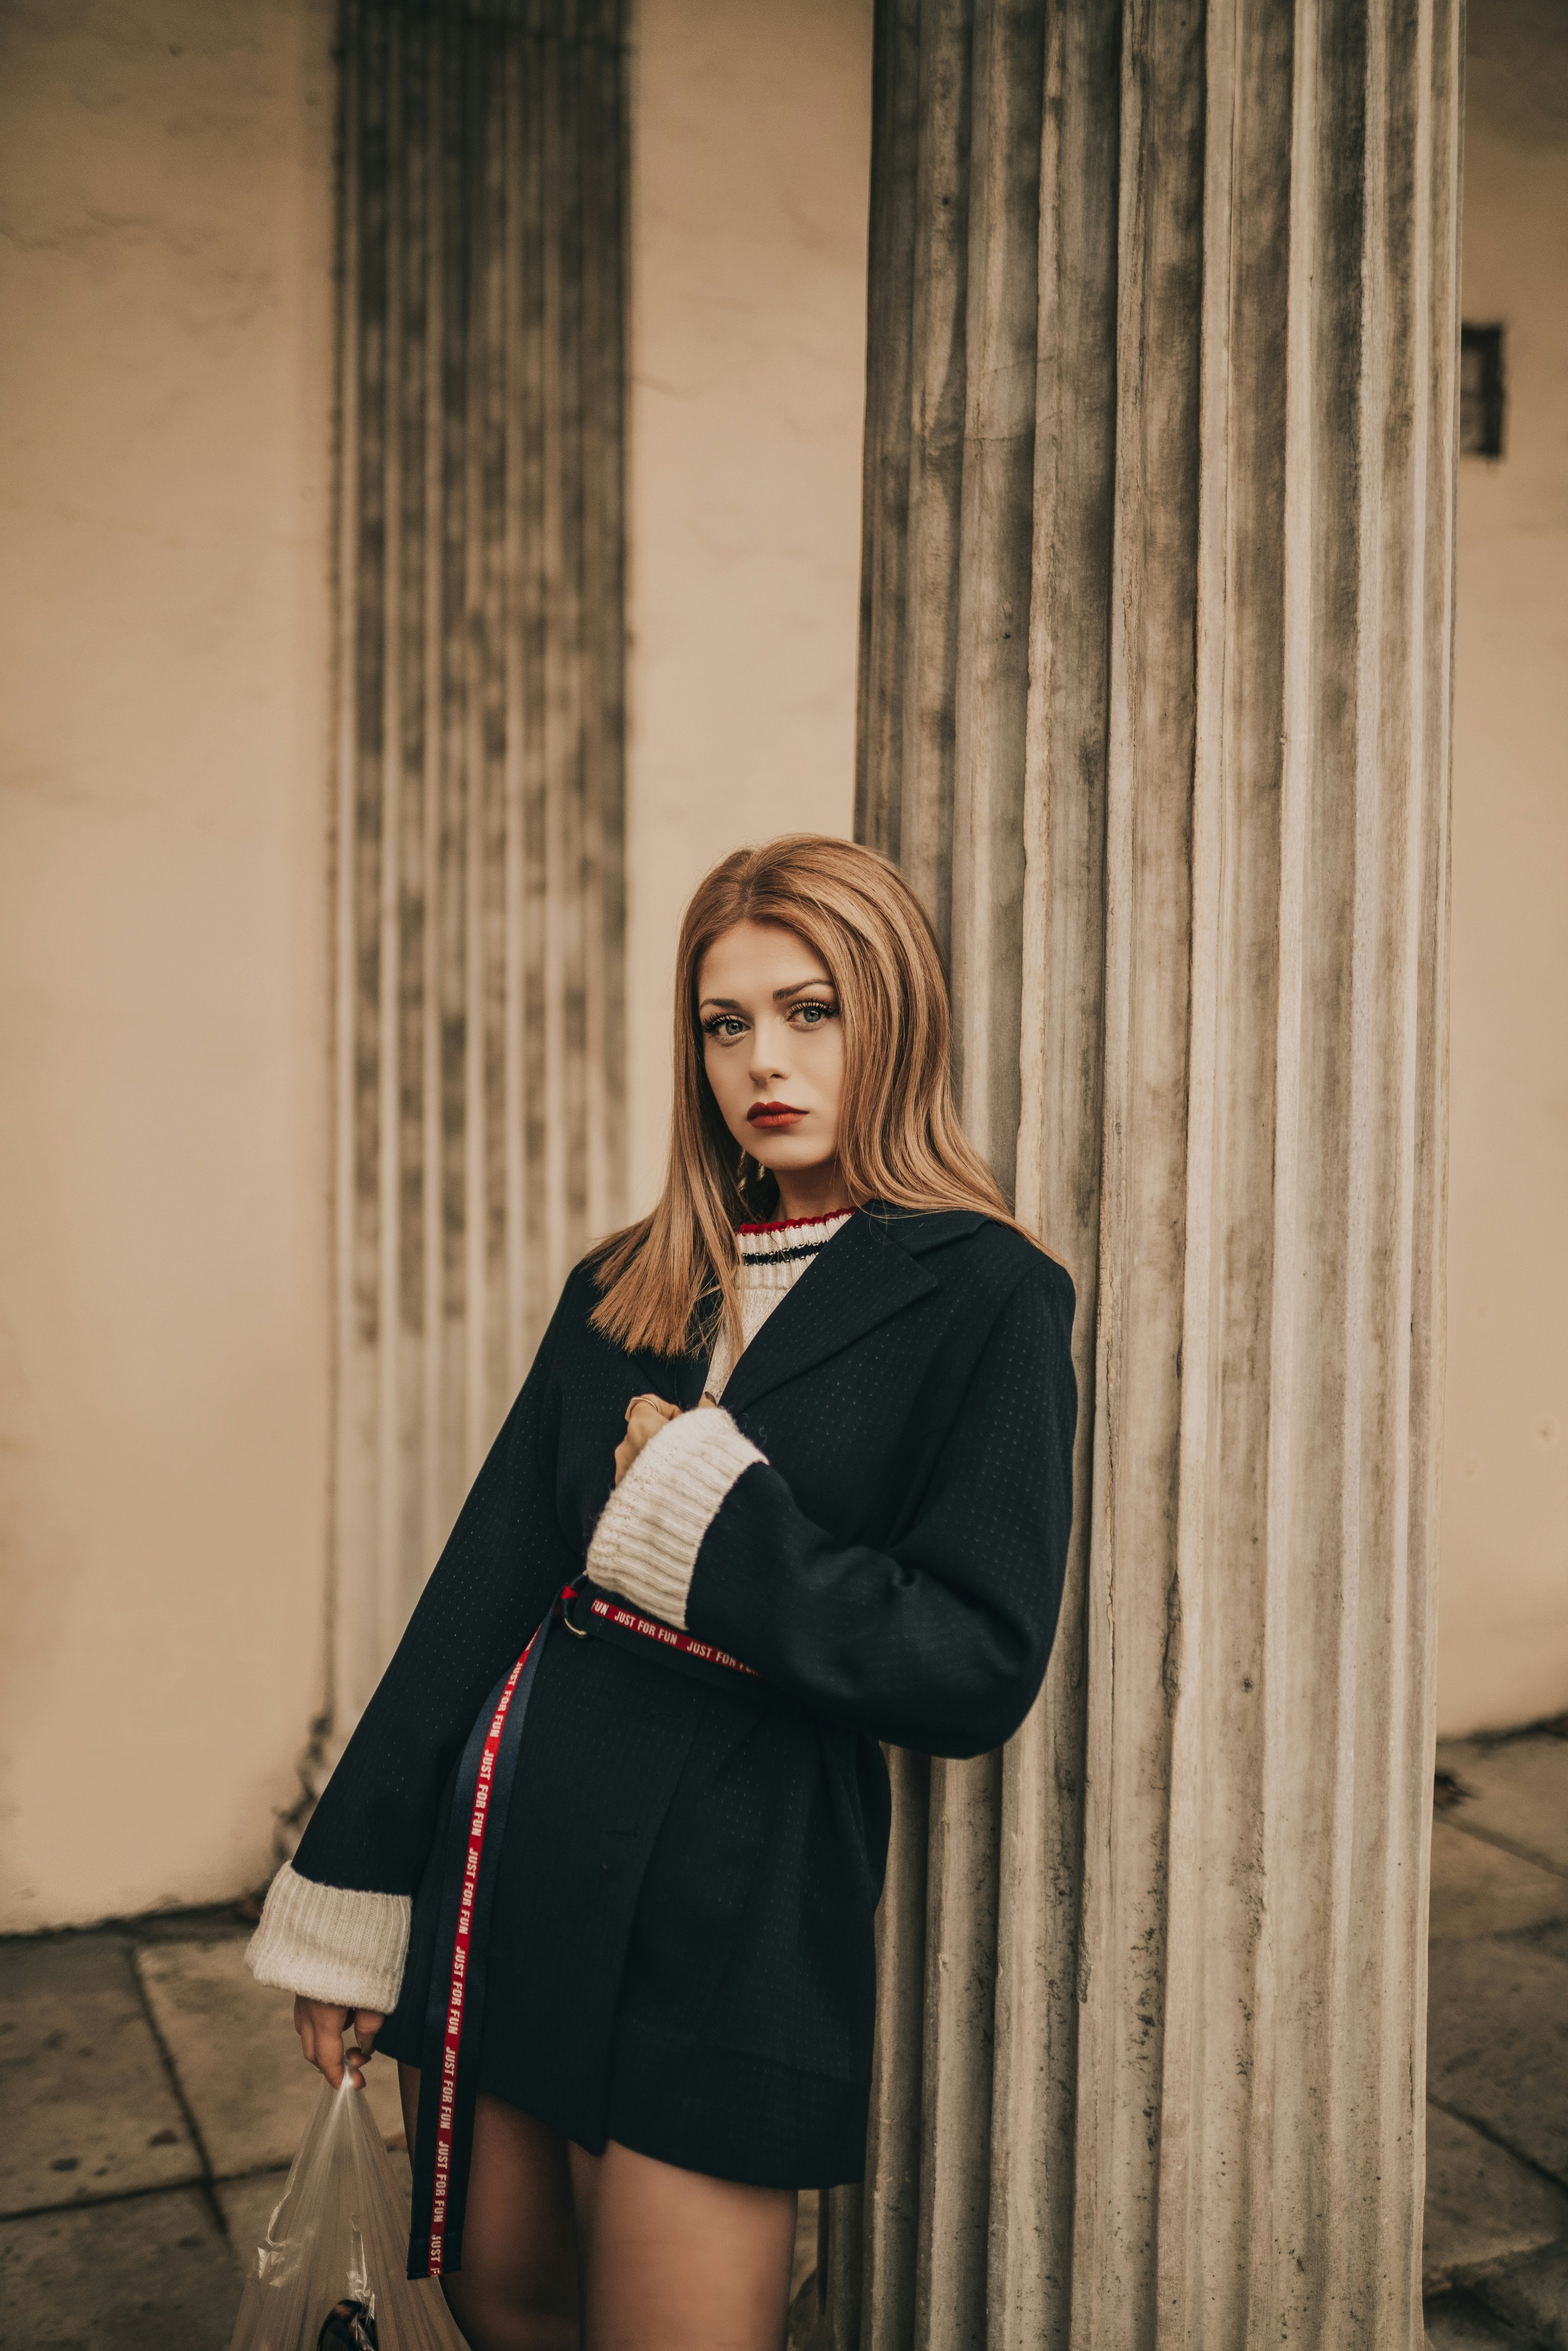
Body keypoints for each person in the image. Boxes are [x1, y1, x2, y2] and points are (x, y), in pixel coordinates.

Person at [247, 834, 1077, 2351]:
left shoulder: (988, 1294)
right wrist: (358, 1898)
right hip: (520, 1843)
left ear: (898, 1016)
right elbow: (481, 1590)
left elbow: (977, 1660)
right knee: (505, 2304)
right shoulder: (628, 1283)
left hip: (744, 1877)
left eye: (812, 1009)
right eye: (726, 1021)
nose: (766, 1059)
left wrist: (712, 1519)